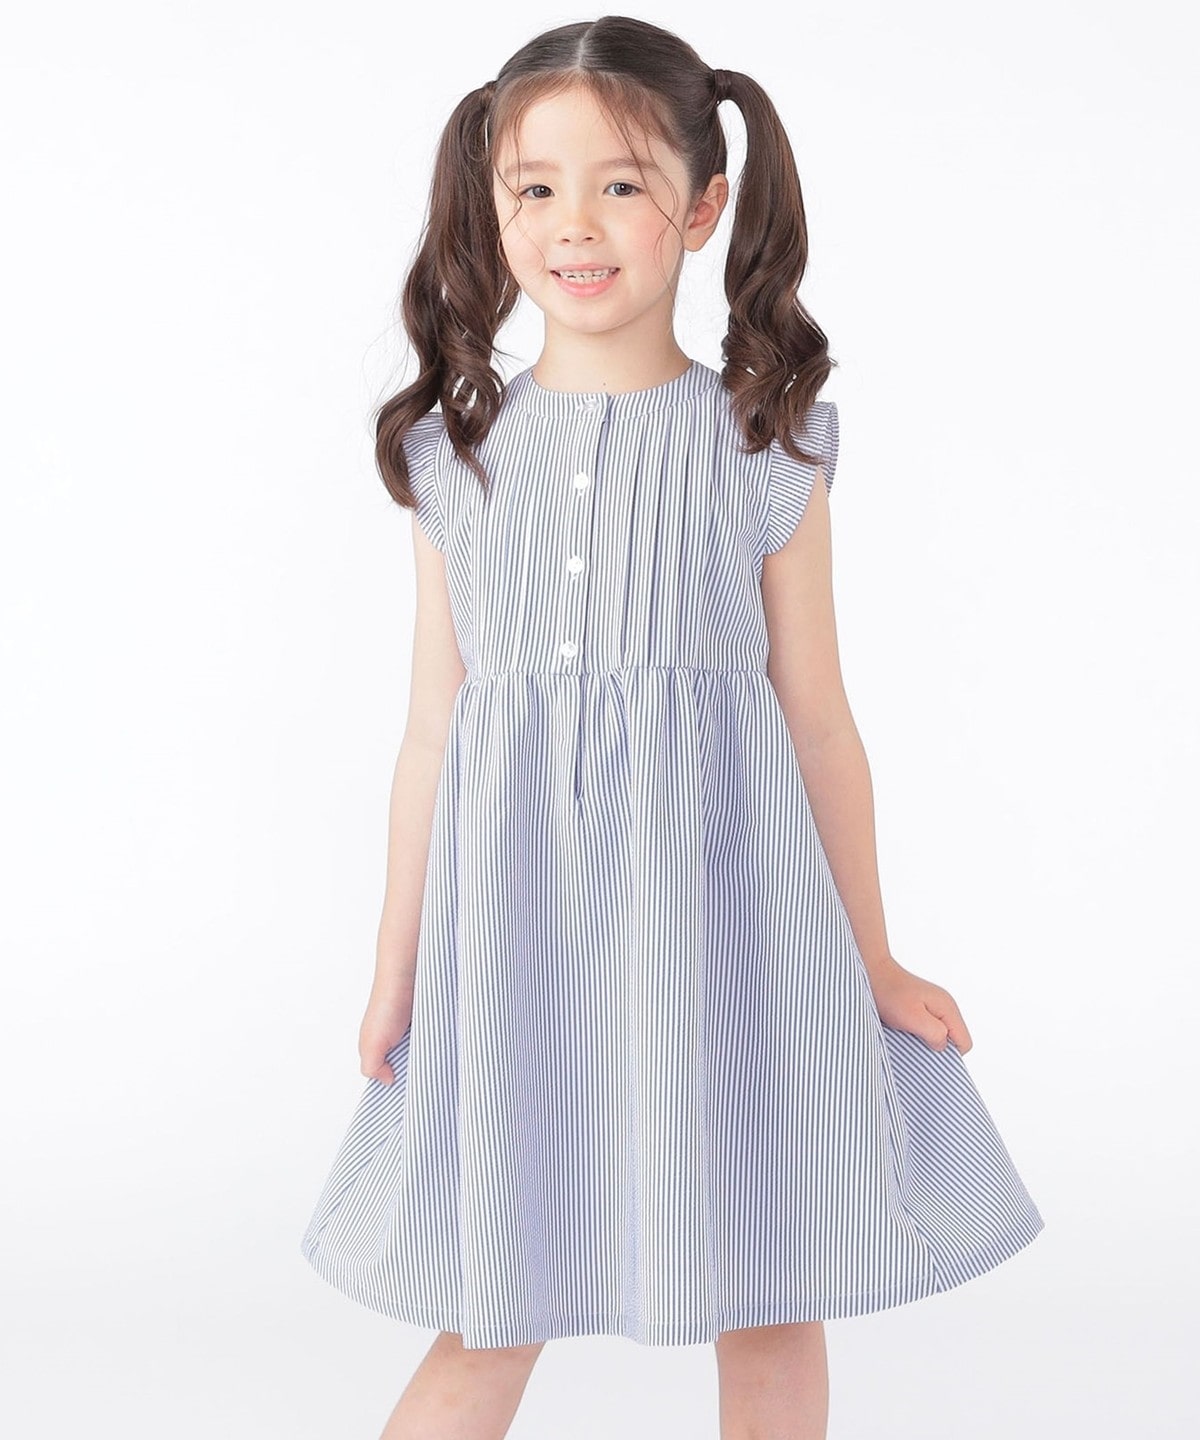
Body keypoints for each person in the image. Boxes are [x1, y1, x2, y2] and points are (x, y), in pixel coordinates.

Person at [299, 15, 1045, 1439]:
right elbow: (432, 730)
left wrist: (873, 955)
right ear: (492, 210)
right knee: (494, 1295)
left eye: (623, 185)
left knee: (770, 1281)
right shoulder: (457, 458)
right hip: (519, 948)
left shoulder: (767, 443)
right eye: (535, 188)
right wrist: (398, 970)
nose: (575, 224)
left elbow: (818, 721)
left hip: (737, 938)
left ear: (703, 209)